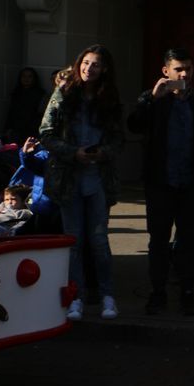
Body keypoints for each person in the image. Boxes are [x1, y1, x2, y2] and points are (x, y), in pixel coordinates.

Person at [127, 48, 194, 316]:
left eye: (188, 69)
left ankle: (187, 291)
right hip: (161, 183)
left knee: (189, 241)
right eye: (179, 69)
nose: (184, 74)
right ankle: (158, 291)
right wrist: (151, 100)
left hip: (192, 184)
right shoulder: (154, 99)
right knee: (158, 240)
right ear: (166, 71)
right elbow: (133, 126)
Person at [40, 44, 124, 321]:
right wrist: (72, 152)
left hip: (97, 178)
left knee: (99, 241)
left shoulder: (109, 98)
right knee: (73, 241)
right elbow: (46, 133)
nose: (89, 68)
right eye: (86, 63)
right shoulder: (64, 92)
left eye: (95, 64)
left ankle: (107, 296)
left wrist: (103, 153)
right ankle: (75, 297)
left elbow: (118, 139)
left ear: (104, 69)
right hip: (69, 178)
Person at [10, 137, 59, 234]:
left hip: (61, 205)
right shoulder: (45, 155)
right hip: (44, 205)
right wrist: (26, 153)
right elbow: (31, 164)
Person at [4, 67, 47, 145]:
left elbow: (40, 114)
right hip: (16, 129)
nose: (26, 79)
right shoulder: (16, 93)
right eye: (24, 76)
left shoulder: (40, 94)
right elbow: (11, 112)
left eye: (29, 76)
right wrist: (8, 128)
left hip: (32, 130)